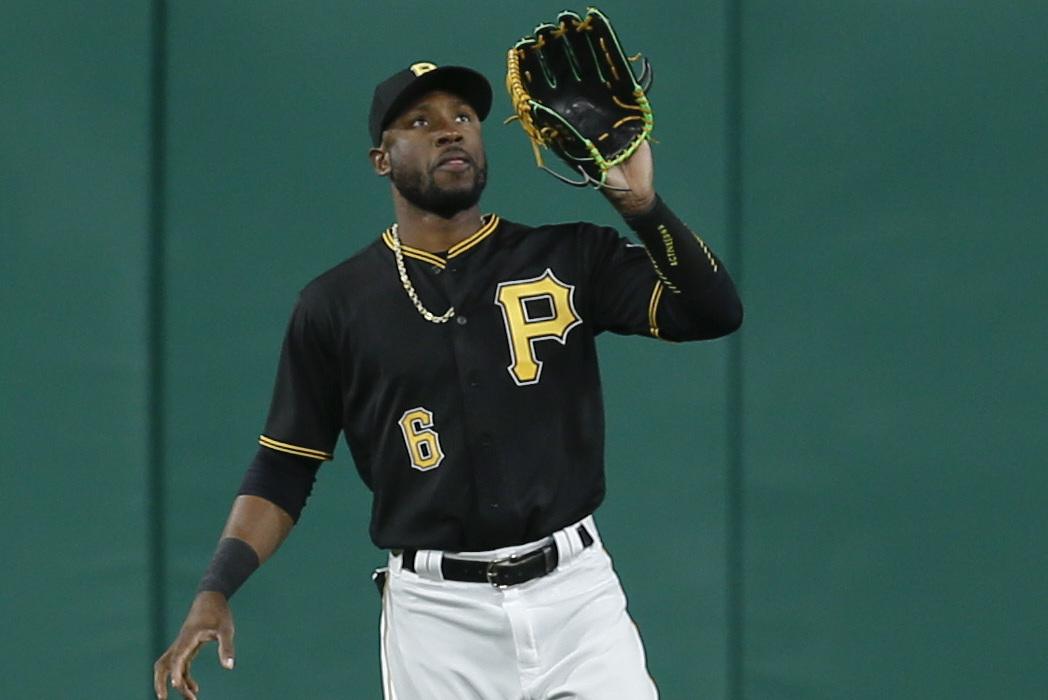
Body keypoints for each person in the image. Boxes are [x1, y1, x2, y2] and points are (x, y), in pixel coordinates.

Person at [153, 61, 742, 700]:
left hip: (575, 597)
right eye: (421, 122)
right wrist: (215, 588)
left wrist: (643, 207)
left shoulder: (570, 256)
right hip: (437, 619)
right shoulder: (335, 306)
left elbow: (712, 311)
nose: (450, 132)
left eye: (464, 117)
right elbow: (284, 468)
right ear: (382, 159)